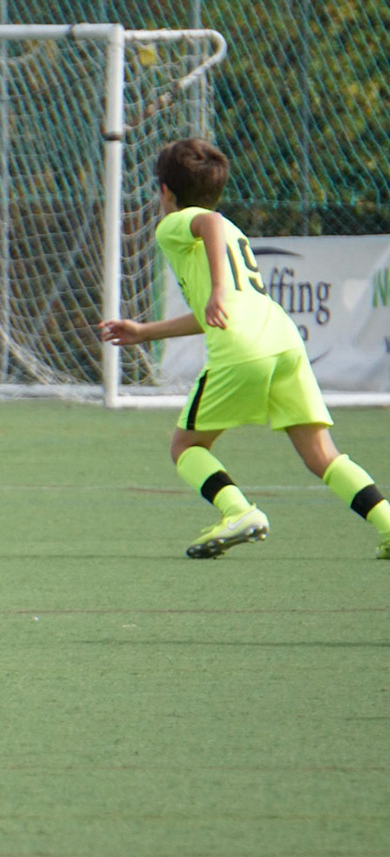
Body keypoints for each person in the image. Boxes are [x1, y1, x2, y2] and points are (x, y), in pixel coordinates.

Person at [99, 138, 390, 560]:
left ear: (164, 191)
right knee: (322, 455)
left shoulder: (177, 224)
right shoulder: (232, 233)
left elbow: (209, 225)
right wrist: (145, 331)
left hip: (242, 347)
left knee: (186, 447)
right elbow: (213, 310)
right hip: (282, 340)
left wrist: (217, 289)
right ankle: (387, 523)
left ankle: (238, 511)